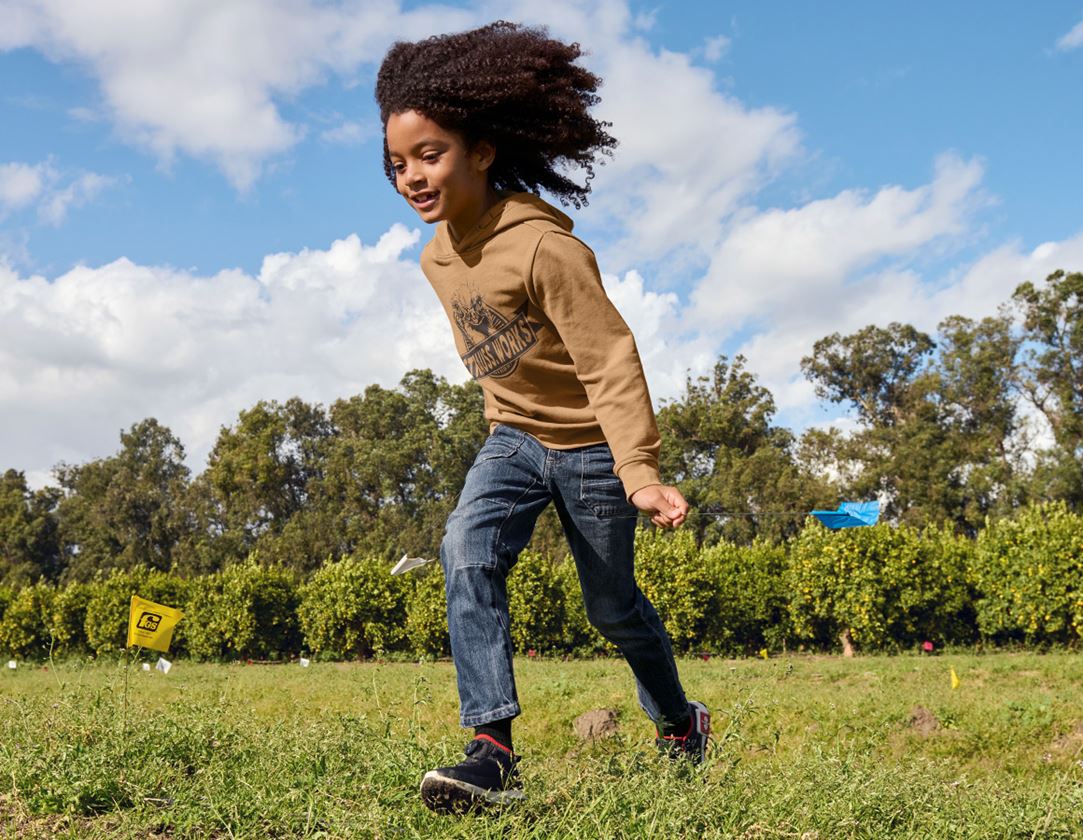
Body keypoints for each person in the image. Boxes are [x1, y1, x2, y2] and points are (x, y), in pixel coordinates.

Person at [375, 20, 710, 813]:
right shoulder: (432, 256)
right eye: (397, 165)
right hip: (513, 439)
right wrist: (503, 421)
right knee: (466, 548)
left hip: (593, 447)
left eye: (431, 155)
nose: (413, 177)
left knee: (612, 607)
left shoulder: (546, 250)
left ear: (482, 151)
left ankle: (678, 721)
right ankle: (491, 750)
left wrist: (639, 471)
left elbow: (608, 358)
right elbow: (493, 355)